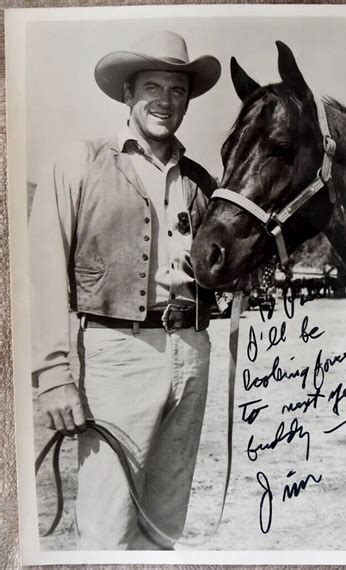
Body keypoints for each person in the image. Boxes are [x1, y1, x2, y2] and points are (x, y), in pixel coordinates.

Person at [29, 31, 221, 550]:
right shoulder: (80, 161)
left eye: (177, 90)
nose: (165, 100)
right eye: (152, 87)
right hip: (116, 355)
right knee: (108, 526)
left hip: (192, 354)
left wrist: (206, 280)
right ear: (127, 95)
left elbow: (227, 269)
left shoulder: (202, 180)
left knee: (164, 527)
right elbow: (42, 269)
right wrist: (52, 375)